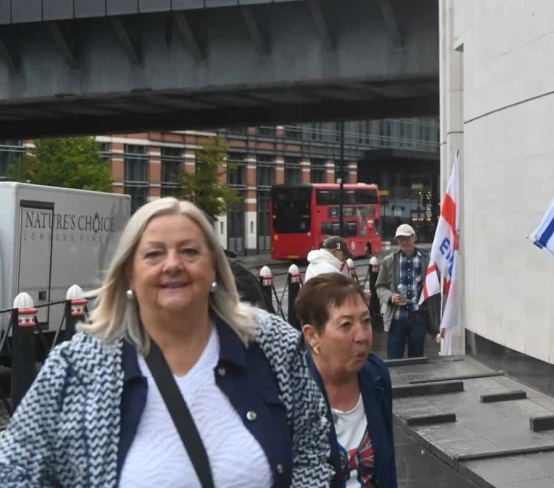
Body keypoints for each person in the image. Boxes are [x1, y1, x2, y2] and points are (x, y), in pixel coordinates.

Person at [0, 197, 331, 486]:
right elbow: (13, 471)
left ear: (215, 267)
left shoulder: (272, 346)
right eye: (154, 254)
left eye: (189, 251)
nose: (172, 264)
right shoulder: (76, 367)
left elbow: (313, 450)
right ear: (129, 273)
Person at [297, 272, 397, 487]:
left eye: (366, 321)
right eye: (345, 325)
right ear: (312, 335)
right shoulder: (291, 392)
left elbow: (388, 467)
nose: (362, 336)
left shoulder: (375, 374)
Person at [375, 224, 439, 359]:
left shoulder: (426, 259)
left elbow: (435, 286)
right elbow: (380, 286)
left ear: (414, 238)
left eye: (407, 238)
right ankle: (395, 380)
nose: (404, 242)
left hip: (418, 316)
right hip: (396, 317)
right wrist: (391, 296)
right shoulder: (390, 261)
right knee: (394, 357)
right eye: (400, 239)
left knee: (416, 357)